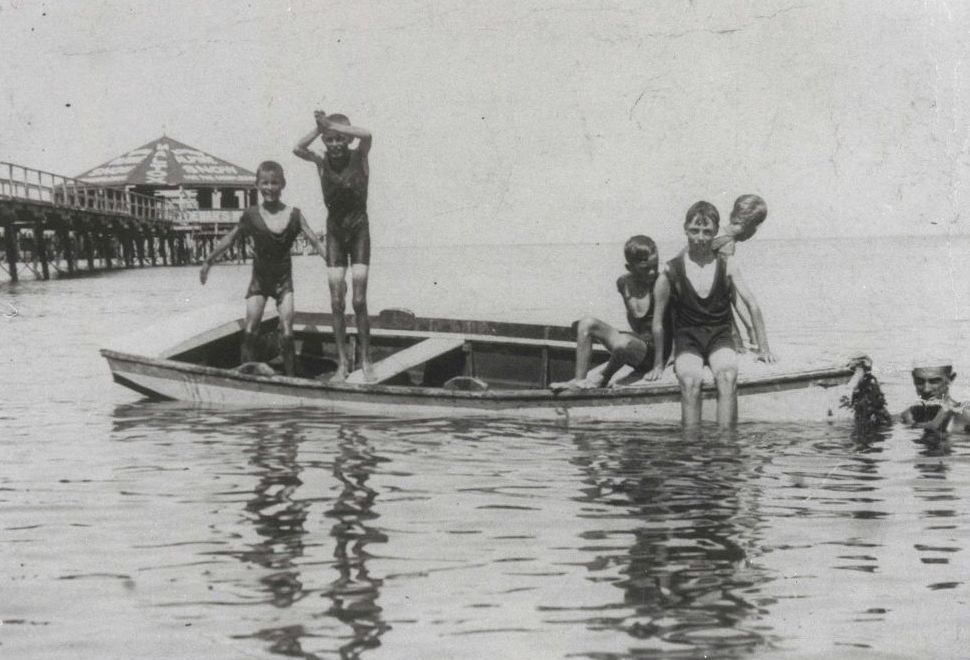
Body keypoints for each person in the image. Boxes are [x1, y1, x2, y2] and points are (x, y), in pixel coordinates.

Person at [644, 201, 774, 429]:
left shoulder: (727, 264)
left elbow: (751, 303)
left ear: (715, 232)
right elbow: (658, 321)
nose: (701, 238)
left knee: (727, 376)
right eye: (695, 231)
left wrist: (764, 348)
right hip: (688, 339)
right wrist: (658, 364)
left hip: (720, 337)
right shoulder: (671, 270)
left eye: (707, 232)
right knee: (690, 381)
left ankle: (726, 447)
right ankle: (692, 450)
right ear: (685, 229)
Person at [199, 160, 327, 377]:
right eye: (265, 183)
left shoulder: (294, 215)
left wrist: (335, 268)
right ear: (257, 185)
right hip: (259, 282)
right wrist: (208, 261)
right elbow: (230, 238)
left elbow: (315, 241)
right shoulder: (251, 215)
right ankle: (245, 375)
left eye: (274, 183)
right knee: (250, 330)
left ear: (282, 184)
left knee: (287, 333)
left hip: (284, 283)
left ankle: (290, 380)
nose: (269, 188)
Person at [293, 110, 375, 382]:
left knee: (359, 300)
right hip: (336, 233)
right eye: (331, 140)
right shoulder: (320, 160)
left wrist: (332, 125)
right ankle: (342, 363)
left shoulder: (359, 155)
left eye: (341, 139)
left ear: (348, 139)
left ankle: (365, 359)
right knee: (337, 301)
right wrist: (320, 129)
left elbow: (367, 135)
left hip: (359, 230)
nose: (336, 144)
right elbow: (297, 148)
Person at [550, 235, 669, 391]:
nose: (652, 272)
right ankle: (579, 381)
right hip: (638, 345)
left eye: (655, 266)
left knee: (623, 342)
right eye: (645, 269)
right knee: (586, 323)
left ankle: (603, 377)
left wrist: (658, 366)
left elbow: (658, 326)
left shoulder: (660, 283)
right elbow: (634, 322)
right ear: (629, 267)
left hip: (656, 351)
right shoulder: (623, 284)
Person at [712, 194, 768, 348]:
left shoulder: (718, 233)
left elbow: (729, 290)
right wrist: (762, 344)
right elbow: (736, 295)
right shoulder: (726, 245)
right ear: (753, 225)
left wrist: (750, 327)